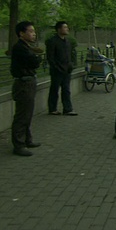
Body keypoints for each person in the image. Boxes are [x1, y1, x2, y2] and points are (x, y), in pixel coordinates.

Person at [10, 21, 44, 156]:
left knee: (28, 113)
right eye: (30, 31)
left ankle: (27, 139)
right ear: (21, 33)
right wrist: (37, 58)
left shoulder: (26, 46)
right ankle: (18, 144)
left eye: (34, 31)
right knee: (22, 115)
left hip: (28, 82)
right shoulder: (20, 48)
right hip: (23, 84)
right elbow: (34, 62)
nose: (33, 34)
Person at [46, 21, 77, 116]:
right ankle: (52, 109)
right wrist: (56, 67)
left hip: (67, 70)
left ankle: (67, 109)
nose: (67, 29)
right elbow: (50, 57)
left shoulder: (67, 41)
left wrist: (71, 65)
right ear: (59, 29)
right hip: (57, 71)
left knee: (66, 90)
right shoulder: (53, 41)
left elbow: (70, 55)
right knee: (54, 90)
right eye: (65, 27)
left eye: (67, 27)